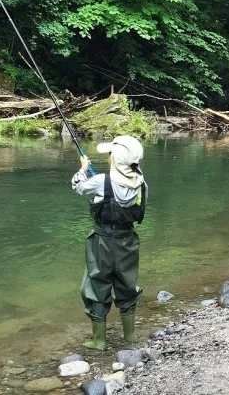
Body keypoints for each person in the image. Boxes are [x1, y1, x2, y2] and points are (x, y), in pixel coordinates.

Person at [71, 136, 147, 350]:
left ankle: (99, 340)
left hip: (102, 242)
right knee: (127, 284)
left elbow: (77, 187)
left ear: (117, 159)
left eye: (112, 155)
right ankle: (130, 337)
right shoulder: (141, 183)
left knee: (96, 284)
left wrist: (83, 169)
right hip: (128, 241)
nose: (110, 158)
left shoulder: (100, 181)